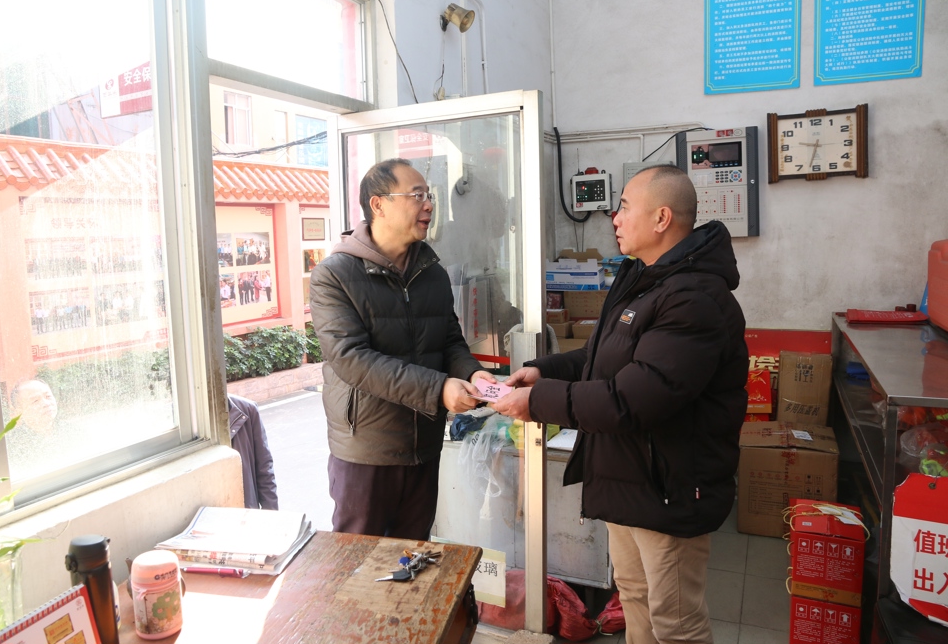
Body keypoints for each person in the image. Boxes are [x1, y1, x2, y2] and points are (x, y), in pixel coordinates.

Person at [491, 165, 748, 644]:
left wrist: (538, 401)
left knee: (676, 623)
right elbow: (600, 358)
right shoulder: (643, 278)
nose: (615, 217)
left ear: (661, 218)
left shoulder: (694, 297)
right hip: (628, 478)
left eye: (625, 206)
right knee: (634, 598)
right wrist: (544, 371)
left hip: (668, 488)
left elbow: (633, 397)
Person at [309, 158, 494, 540]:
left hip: (423, 445)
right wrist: (439, 390)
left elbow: (449, 340)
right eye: (417, 195)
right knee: (359, 562)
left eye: (429, 196)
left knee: (413, 558)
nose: (429, 205)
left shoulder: (432, 273)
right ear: (378, 204)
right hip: (367, 450)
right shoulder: (334, 275)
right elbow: (351, 359)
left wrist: (472, 373)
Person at [227, 394, 279, 510]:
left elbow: (264, 467)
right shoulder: (194, 418)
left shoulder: (247, 409)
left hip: (247, 511)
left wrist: (271, 514)